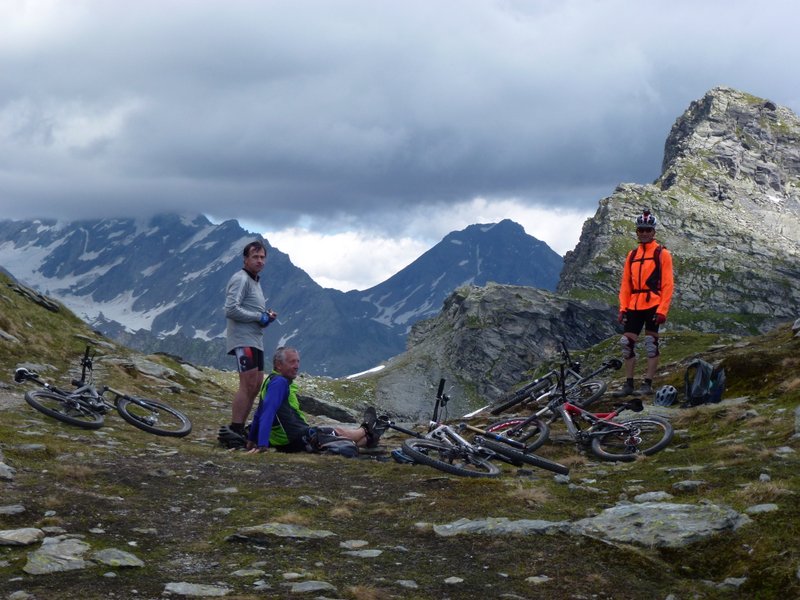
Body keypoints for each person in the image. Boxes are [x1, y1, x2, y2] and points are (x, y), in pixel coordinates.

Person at [246, 347, 384, 453]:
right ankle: (366, 428)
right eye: (292, 362)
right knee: (338, 433)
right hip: (295, 437)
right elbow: (267, 412)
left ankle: (370, 437)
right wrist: (262, 445)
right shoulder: (279, 383)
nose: (296, 366)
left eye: (298, 361)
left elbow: (259, 413)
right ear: (278, 365)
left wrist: (251, 440)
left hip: (290, 439)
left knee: (336, 439)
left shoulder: (270, 380)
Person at [220, 240, 277, 443]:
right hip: (243, 339)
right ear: (246, 259)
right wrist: (257, 317)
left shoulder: (255, 281)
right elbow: (230, 309)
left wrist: (265, 318)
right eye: (255, 257)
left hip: (255, 339)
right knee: (248, 384)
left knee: (256, 385)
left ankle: (240, 428)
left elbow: (250, 310)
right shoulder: (241, 278)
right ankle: (234, 429)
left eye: (262, 257)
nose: (259, 261)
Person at [615, 209, 674, 396]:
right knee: (626, 343)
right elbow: (626, 284)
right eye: (641, 230)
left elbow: (667, 284)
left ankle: (647, 383)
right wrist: (623, 308)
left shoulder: (662, 254)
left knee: (650, 343)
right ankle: (629, 383)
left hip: (654, 304)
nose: (644, 233)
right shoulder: (632, 255)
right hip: (634, 304)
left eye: (648, 230)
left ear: (653, 231)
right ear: (637, 231)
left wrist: (663, 309)